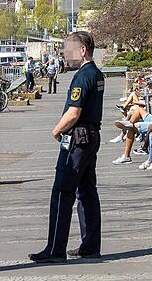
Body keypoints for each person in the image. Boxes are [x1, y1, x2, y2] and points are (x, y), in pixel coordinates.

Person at [29, 31, 104, 263]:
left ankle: (55, 249)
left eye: (68, 49)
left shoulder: (82, 76)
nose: (64, 54)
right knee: (87, 192)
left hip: (78, 140)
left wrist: (57, 130)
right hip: (91, 137)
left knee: (62, 193)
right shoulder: (97, 74)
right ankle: (90, 245)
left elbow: (74, 113)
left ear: (82, 50)